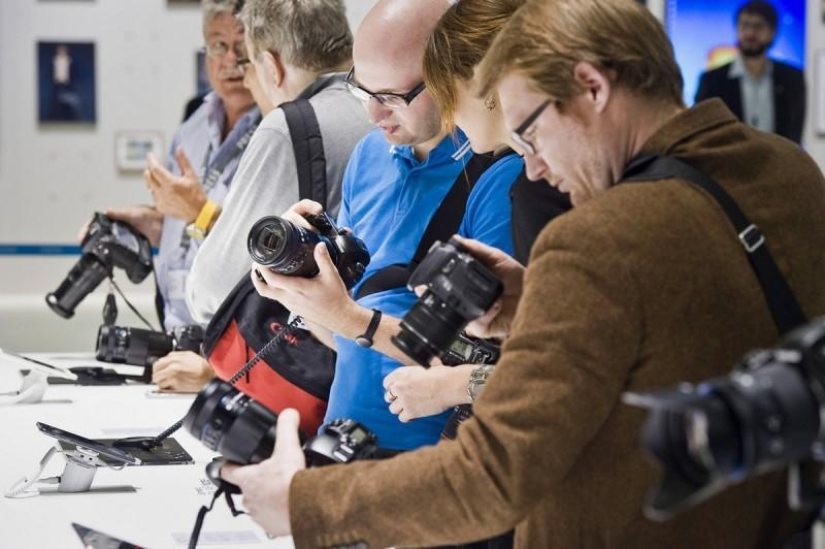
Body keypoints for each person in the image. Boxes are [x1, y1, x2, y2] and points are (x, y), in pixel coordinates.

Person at [221, 0, 825, 547]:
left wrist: (305, 504)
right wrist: (535, 305)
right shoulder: (792, 173)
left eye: (529, 134)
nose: (532, 170)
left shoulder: (599, 238)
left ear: (591, 87)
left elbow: (492, 473)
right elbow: (696, 339)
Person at [250, 0, 522, 452]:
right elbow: (349, 339)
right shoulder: (368, 156)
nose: (374, 116)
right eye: (362, 91)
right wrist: (304, 288)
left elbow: (493, 361)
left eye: (393, 96)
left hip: (434, 464)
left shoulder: (497, 175)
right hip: (342, 442)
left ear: (449, 72)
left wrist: (347, 316)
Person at [154, 0, 370, 392]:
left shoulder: (290, 125)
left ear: (271, 66)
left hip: (324, 379)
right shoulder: (385, 108)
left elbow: (211, 289)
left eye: (250, 64)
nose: (248, 79)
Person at [383, 0, 573, 425]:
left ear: (481, 83)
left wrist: (456, 385)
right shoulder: (526, 178)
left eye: (446, 94)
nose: (450, 120)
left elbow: (563, 370)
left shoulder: (531, 185)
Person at [104, 0, 259, 331]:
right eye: (218, 45)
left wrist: (198, 212)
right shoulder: (192, 125)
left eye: (241, 45)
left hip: (238, 340)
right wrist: (156, 225)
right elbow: (190, 229)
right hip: (175, 333)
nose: (230, 59)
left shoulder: (278, 130)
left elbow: (265, 249)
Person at [694, 0, 805, 144]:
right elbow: (704, 132)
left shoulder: (792, 79)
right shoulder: (712, 80)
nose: (750, 33)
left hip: (779, 163)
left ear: (772, 32)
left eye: (758, 26)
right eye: (744, 25)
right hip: (728, 163)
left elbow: (794, 133)